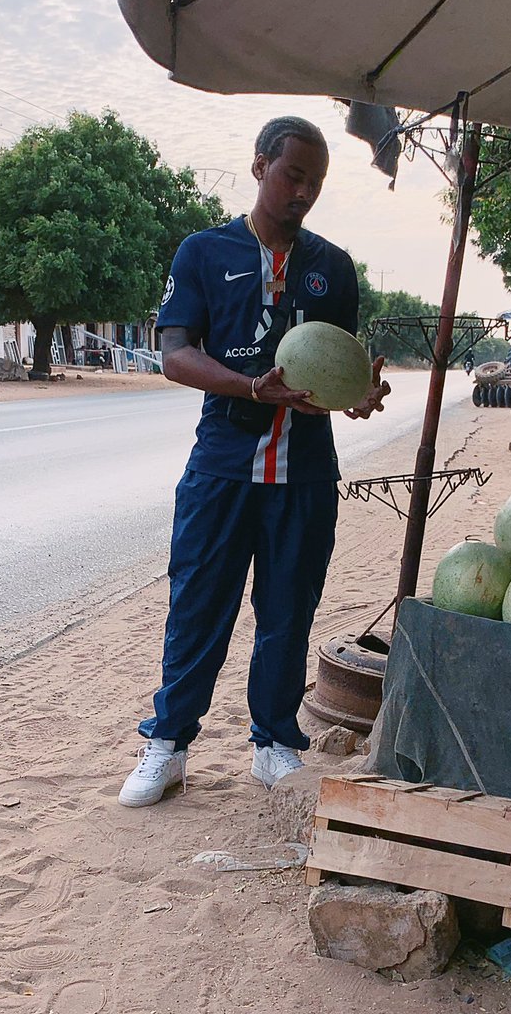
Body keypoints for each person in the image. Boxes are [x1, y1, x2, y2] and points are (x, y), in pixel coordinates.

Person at [118, 116, 390, 807]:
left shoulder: (333, 267)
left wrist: (358, 395)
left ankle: (274, 743)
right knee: (197, 608)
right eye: (292, 174)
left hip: (304, 474)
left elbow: (330, 375)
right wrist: (248, 386)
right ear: (260, 164)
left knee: (288, 611)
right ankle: (169, 744)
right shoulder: (204, 253)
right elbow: (175, 353)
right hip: (223, 466)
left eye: (315, 182)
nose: (303, 191)